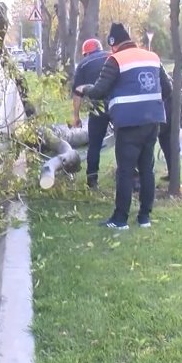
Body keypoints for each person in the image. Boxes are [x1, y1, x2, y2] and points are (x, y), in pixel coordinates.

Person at [74, 23, 172, 230]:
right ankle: (145, 217)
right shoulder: (152, 57)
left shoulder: (116, 59)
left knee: (125, 171)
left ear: (113, 44)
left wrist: (85, 88)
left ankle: (120, 219)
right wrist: (150, 103)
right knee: (147, 169)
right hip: (152, 121)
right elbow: (168, 88)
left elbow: (100, 90)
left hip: (128, 124)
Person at [71, 38, 109, 189]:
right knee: (124, 141)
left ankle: (92, 180)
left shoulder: (83, 64)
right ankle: (131, 175)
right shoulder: (112, 56)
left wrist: (76, 117)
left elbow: (77, 93)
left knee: (95, 144)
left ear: (86, 53)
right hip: (117, 105)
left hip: (98, 108)